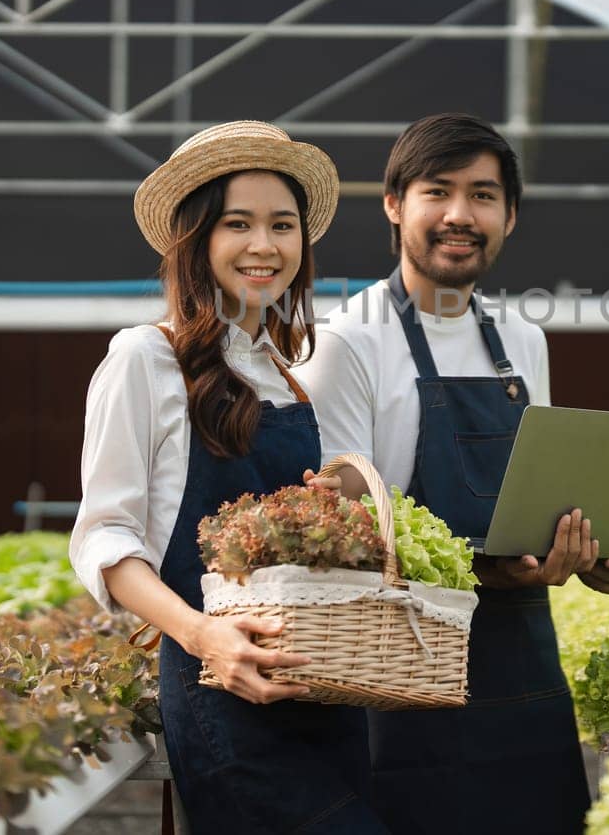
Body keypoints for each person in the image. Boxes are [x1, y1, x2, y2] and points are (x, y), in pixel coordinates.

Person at [297, 112, 609, 834]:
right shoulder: (347, 342)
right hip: (402, 673)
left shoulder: (523, 340)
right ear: (395, 205)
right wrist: (487, 571)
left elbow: (536, 496)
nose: (461, 214)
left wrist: (589, 554)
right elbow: (340, 537)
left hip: (521, 668)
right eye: (438, 191)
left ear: (510, 216)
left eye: (484, 195)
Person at [68, 121, 387, 834]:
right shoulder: (143, 359)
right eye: (237, 223)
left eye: (283, 224)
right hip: (222, 690)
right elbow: (105, 540)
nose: (264, 245)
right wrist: (203, 635)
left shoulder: (289, 376)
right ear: (197, 239)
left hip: (322, 695)